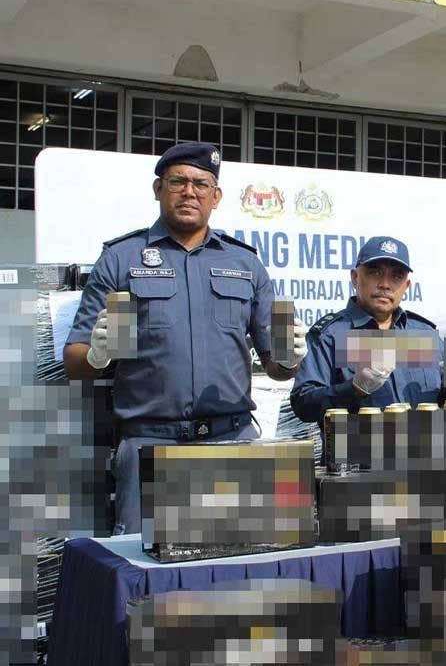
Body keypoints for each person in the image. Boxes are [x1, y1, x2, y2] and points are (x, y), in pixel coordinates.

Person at [63, 142, 306, 534]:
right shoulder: (122, 260)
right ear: (158, 189)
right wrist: (97, 355)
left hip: (232, 443)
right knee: (145, 578)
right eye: (178, 181)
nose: (189, 191)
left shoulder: (244, 263)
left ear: (216, 196)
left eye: (201, 183)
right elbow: (74, 362)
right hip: (150, 446)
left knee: (236, 569)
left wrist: (290, 357)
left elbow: (277, 366)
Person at [290, 235, 446, 420]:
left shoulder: (424, 334)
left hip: (425, 447)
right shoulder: (331, 336)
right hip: (358, 448)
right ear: (355, 277)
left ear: (406, 285)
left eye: (396, 276)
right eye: (375, 272)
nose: (385, 284)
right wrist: (354, 389)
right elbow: (303, 404)